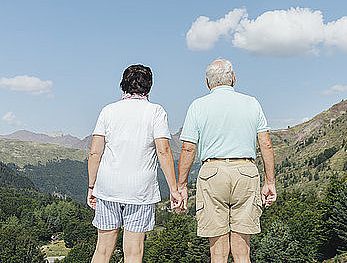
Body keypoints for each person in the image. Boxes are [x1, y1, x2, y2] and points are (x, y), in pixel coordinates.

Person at [177, 59, 277, 263]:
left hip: (212, 172)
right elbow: (265, 144)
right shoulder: (252, 103)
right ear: (233, 79)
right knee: (242, 252)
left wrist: (181, 185)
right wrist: (270, 182)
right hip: (246, 171)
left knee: (218, 253)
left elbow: (188, 148)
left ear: (207, 82)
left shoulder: (198, 106)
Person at [87, 64, 181, 263]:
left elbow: (95, 152)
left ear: (123, 84)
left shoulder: (108, 111)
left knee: (102, 250)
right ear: (149, 86)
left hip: (108, 188)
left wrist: (91, 186)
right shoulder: (156, 112)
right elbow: (163, 151)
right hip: (140, 190)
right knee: (134, 252)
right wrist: (174, 188)